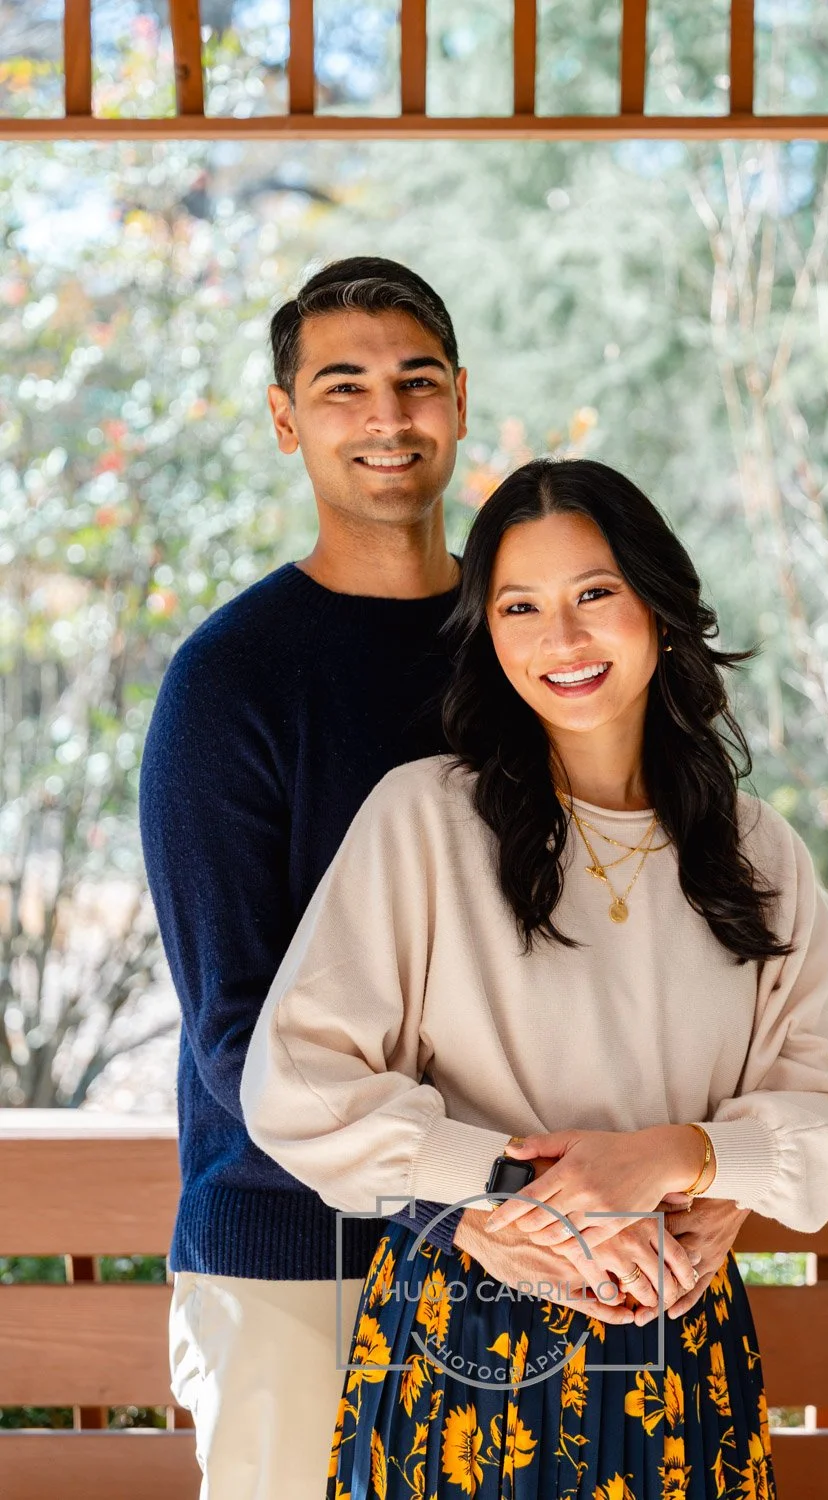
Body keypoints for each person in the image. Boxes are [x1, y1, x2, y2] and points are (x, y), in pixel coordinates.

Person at [139, 260, 747, 1498]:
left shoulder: (540, 644)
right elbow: (233, 1033)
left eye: (416, 382)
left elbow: (641, 943)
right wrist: (460, 1213)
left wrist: (704, 1173)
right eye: (342, 386)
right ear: (283, 417)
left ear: (460, 402)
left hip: (557, 1254)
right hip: (300, 1259)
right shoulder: (231, 685)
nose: (386, 416)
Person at [242, 455, 828, 1500]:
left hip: (677, 1336)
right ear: (488, 636)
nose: (562, 639)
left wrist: (693, 1162)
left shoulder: (756, 851)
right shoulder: (424, 821)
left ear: (658, 607)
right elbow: (295, 1082)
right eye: (520, 606)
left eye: (595, 594)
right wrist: (503, 1189)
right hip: (467, 1333)